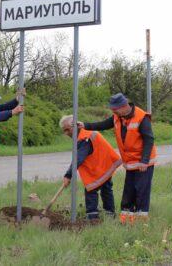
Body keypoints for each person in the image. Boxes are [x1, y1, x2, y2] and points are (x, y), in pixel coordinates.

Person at [78, 93, 157, 224]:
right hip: (130, 162)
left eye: (115, 109)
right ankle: (127, 219)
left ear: (124, 106)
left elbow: (149, 139)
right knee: (129, 191)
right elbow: (103, 124)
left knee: (141, 191)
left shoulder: (142, 117)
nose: (113, 111)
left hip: (144, 163)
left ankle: (141, 221)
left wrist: (144, 161)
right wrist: (85, 125)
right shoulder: (117, 116)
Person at [60, 115, 122, 220]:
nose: (66, 133)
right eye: (64, 131)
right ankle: (110, 214)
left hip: (102, 166)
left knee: (91, 190)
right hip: (104, 166)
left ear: (76, 126)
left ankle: (92, 218)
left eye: (67, 130)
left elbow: (78, 159)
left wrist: (68, 175)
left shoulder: (85, 138)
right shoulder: (85, 134)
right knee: (106, 189)